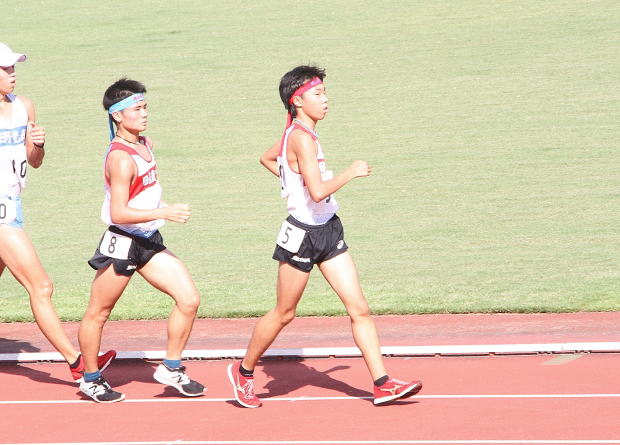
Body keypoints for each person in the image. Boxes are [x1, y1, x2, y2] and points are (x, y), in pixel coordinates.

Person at [227, 65, 422, 408]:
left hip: (329, 230)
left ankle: (382, 384)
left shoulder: (302, 133)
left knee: (359, 308)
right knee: (285, 313)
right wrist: (350, 173)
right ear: (297, 101)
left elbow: (268, 158)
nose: (325, 99)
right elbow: (317, 192)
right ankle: (243, 372)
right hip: (302, 236)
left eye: (325, 93)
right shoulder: (300, 137)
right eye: (318, 94)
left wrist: (291, 180)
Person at [77, 78, 203, 403]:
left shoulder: (144, 143)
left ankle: (171, 368)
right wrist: (164, 211)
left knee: (188, 299)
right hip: (122, 242)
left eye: (145, 107)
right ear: (118, 115)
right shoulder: (120, 158)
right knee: (99, 313)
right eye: (137, 109)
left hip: (147, 239)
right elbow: (118, 212)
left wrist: (157, 213)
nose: (145, 113)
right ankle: (90, 379)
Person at [0, 42, 115, 383]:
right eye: (5, 68)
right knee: (41, 286)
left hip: (14, 203)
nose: (12, 73)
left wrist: (37, 144)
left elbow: (34, 162)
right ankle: (78, 362)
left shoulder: (25, 106)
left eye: (13, 66)